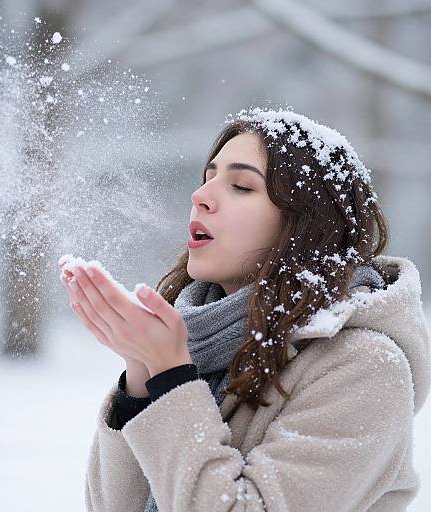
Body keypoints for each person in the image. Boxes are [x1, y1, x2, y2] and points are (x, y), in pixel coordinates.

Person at [62, 107, 431, 511]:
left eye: (240, 186)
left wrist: (169, 378)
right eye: (208, 178)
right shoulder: (200, 343)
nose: (200, 197)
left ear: (306, 225)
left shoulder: (366, 368)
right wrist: (142, 377)